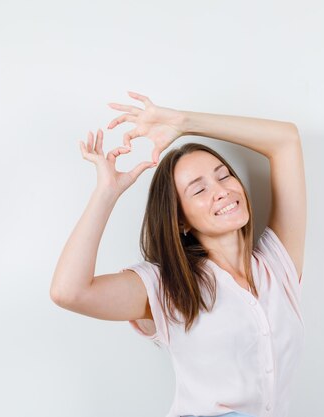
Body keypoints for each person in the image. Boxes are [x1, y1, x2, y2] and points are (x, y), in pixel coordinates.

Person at [50, 92, 307, 417]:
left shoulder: (277, 265)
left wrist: (184, 123)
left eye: (223, 175)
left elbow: (285, 140)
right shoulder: (167, 283)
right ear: (180, 219)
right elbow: (68, 292)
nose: (221, 191)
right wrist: (106, 193)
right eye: (199, 190)